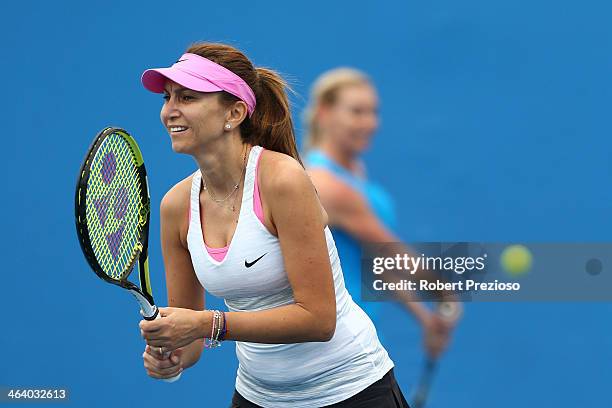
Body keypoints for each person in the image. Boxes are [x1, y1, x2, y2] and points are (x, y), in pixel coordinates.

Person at [138, 43, 410, 408]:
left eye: (187, 97)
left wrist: (207, 324)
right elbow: (190, 337)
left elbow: (318, 319)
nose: (169, 111)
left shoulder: (282, 180)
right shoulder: (176, 207)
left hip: (352, 392)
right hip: (259, 397)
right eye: (168, 98)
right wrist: (170, 356)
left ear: (233, 113)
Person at [303, 68, 458, 361]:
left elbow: (377, 265)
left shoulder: (355, 174)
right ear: (324, 113)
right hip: (336, 347)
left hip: (361, 339)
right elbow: (392, 253)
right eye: (357, 112)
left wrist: (424, 317)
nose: (370, 123)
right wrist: (443, 292)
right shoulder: (325, 183)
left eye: (373, 112)